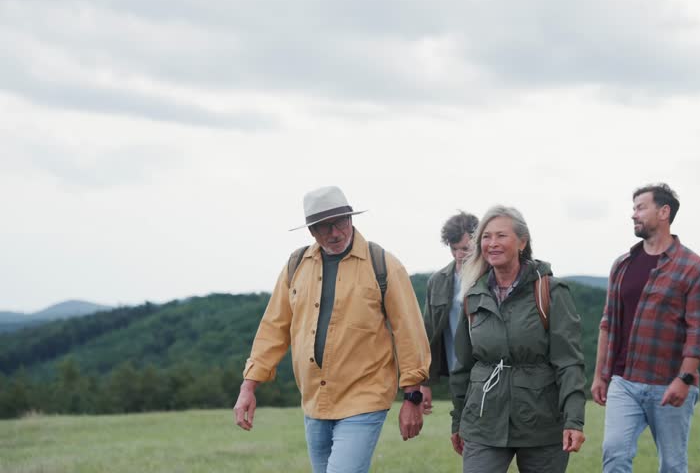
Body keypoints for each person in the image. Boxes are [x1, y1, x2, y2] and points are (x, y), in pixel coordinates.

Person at [233, 186, 431, 473]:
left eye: (340, 222)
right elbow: (273, 329)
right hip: (314, 401)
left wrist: (412, 396)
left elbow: (409, 333)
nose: (335, 233)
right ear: (311, 230)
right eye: (324, 227)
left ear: (351, 218)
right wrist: (248, 387)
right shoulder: (296, 266)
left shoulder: (383, 264)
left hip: (365, 397)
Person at [449, 205, 586, 473]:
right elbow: (463, 365)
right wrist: (458, 420)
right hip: (483, 420)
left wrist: (574, 420)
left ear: (522, 242)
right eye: (486, 237)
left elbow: (569, 362)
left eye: (501, 235)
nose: (492, 243)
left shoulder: (551, 291)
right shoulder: (473, 295)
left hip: (541, 421)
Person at [591, 183, 700, 473]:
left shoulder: (693, 267)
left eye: (640, 208)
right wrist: (599, 375)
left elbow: (698, 331)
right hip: (623, 382)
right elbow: (607, 323)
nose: (633, 214)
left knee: (672, 464)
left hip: (669, 382)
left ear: (664, 212)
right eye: (633, 208)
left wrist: (684, 378)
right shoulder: (622, 265)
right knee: (614, 454)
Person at [421, 211, 479, 415]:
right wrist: (424, 383)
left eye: (465, 248)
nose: (458, 255)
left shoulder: (493, 276)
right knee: (461, 427)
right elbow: (428, 332)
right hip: (457, 373)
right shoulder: (437, 281)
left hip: (490, 371)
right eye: (454, 249)